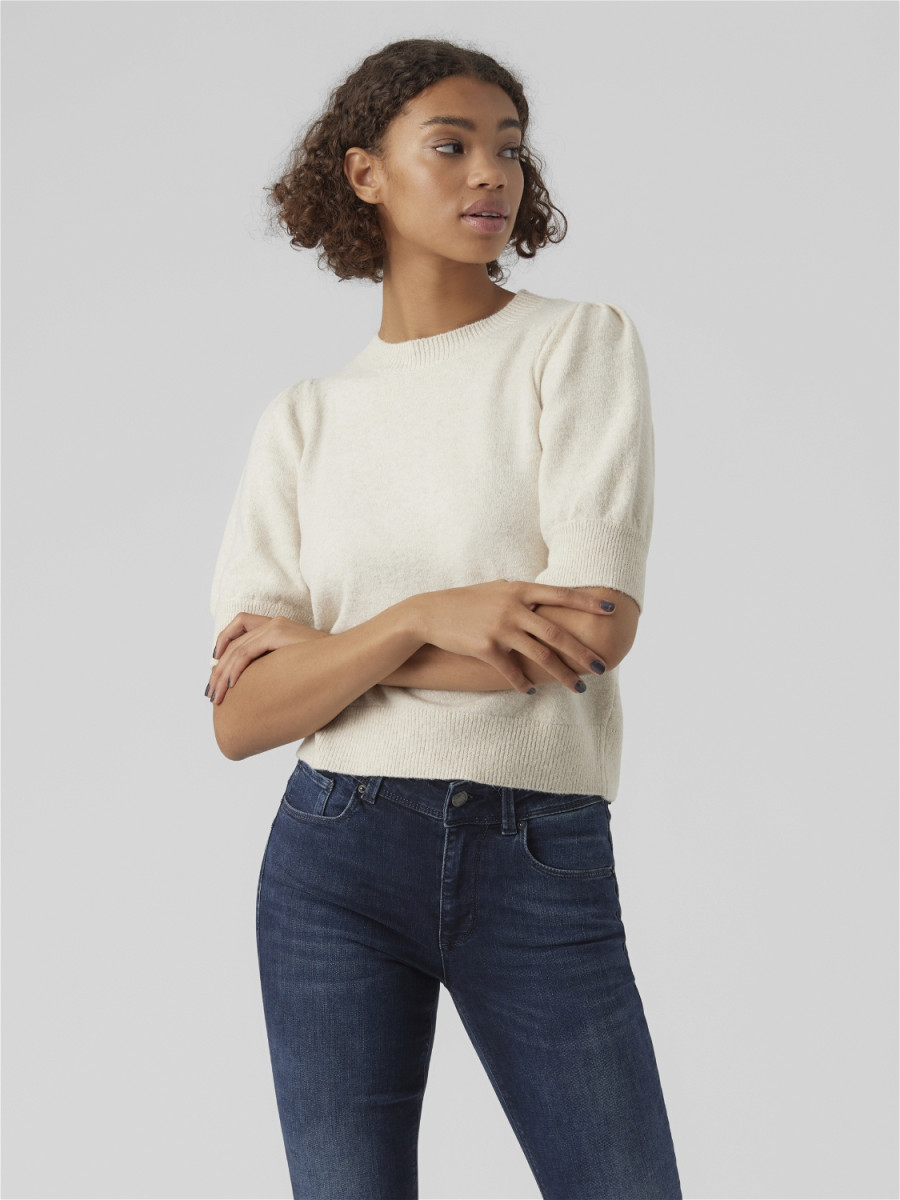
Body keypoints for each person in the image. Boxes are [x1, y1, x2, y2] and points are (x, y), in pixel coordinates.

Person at [206, 36, 682, 1200]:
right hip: (330, 855)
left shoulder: (574, 345)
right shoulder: (304, 420)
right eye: (452, 145)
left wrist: (330, 658)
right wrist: (424, 618)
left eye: (509, 150)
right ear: (365, 173)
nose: (490, 174)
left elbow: (586, 636)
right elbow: (243, 715)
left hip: (533, 850)